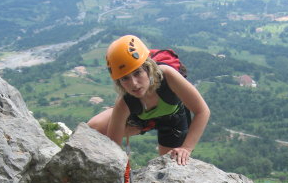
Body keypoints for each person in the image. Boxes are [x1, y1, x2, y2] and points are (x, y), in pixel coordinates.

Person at [88, 35, 210, 165]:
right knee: (93, 128)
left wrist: (186, 148)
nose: (134, 84)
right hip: (141, 121)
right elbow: (113, 149)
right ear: (119, 82)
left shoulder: (168, 76)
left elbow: (202, 111)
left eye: (137, 73)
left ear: (148, 68)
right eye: (125, 78)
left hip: (173, 122)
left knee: (172, 164)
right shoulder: (124, 103)